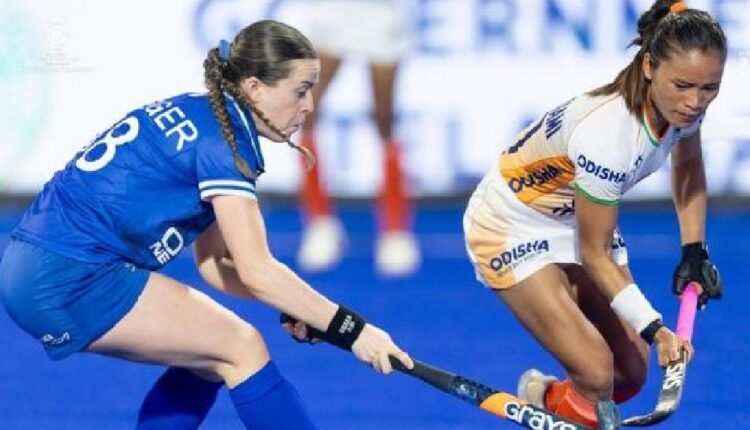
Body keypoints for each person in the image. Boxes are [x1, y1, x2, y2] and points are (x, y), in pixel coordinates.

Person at [0, 20, 412, 430]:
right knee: (241, 347)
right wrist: (353, 330)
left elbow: (214, 263)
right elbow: (258, 270)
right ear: (255, 88)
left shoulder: (206, 114)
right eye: (300, 91)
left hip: (31, 264)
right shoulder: (227, 147)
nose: (309, 106)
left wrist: (295, 306)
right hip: (71, 274)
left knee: (211, 356)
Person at [462, 1, 724, 427]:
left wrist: (694, 249)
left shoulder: (680, 104)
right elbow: (595, 254)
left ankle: (545, 398)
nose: (694, 102)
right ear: (649, 66)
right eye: (683, 85)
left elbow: (689, 165)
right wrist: (657, 329)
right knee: (596, 373)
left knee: (629, 374)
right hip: (511, 223)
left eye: (709, 88)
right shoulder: (610, 135)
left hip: (572, 215)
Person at [296, 0, 420, 276]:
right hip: (336, 10)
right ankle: (319, 222)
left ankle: (395, 229)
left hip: (384, 13)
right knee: (305, 108)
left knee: (384, 116)